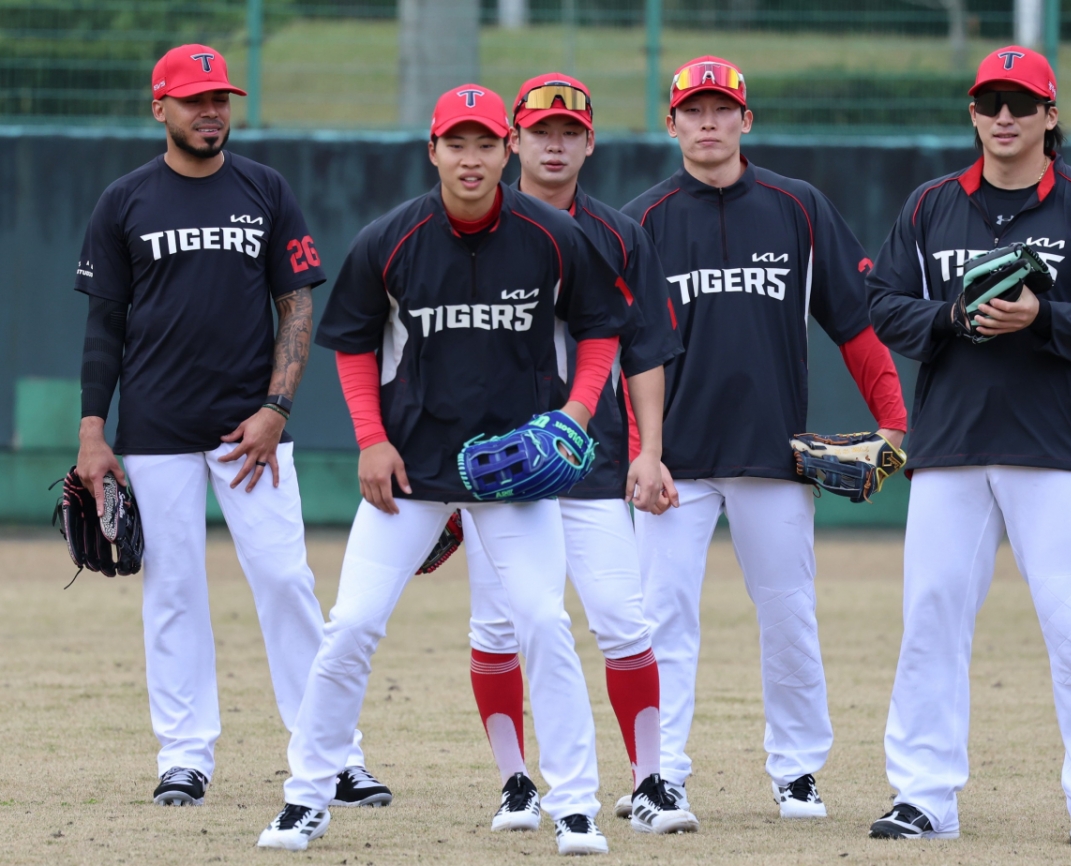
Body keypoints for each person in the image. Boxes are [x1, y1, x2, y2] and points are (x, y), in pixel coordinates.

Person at [257, 84, 638, 856]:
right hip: (411, 472)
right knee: (352, 625)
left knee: (542, 624)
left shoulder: (553, 234)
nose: (471, 158)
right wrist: (371, 438)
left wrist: (575, 413)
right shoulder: (390, 239)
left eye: (486, 144)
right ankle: (306, 795)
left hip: (516, 478)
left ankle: (574, 806)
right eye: (455, 144)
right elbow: (356, 345)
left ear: (507, 151)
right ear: (432, 150)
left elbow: (602, 330)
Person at [73, 44, 389, 809]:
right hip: (153, 430)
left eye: (220, 98)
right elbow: (103, 327)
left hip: (251, 431)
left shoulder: (264, 189)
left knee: (286, 582)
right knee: (173, 589)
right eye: (194, 99)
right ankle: (184, 755)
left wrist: (276, 410)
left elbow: (297, 305)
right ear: (161, 108)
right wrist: (93, 432)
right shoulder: (126, 201)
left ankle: (330, 753)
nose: (211, 110)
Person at [865, 46, 1071, 846]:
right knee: (931, 619)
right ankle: (923, 796)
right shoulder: (929, 206)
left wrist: (1043, 319)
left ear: (1050, 117)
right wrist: (953, 318)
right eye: (991, 102)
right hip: (952, 447)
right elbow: (884, 303)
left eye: (1023, 103)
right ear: (973, 114)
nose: (1006, 117)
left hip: (1058, 447)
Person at [621, 57, 908, 820]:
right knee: (660, 618)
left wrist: (894, 420)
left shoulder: (798, 207)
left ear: (747, 120)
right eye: (693, 109)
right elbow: (621, 352)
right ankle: (659, 772)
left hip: (774, 457)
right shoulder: (643, 220)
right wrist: (637, 454)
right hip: (673, 462)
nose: (707, 122)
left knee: (788, 615)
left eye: (722, 109)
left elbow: (857, 327)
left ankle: (797, 770)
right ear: (671, 121)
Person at [458, 73, 696, 837]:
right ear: (513, 142)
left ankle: (652, 782)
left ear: (589, 141)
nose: (553, 143)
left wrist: (649, 451)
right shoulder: (474, 228)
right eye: (539, 130)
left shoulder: (620, 235)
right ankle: (517, 784)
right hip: (497, 467)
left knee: (624, 621)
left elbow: (646, 351)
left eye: (568, 130)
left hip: (591, 463)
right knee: (499, 628)